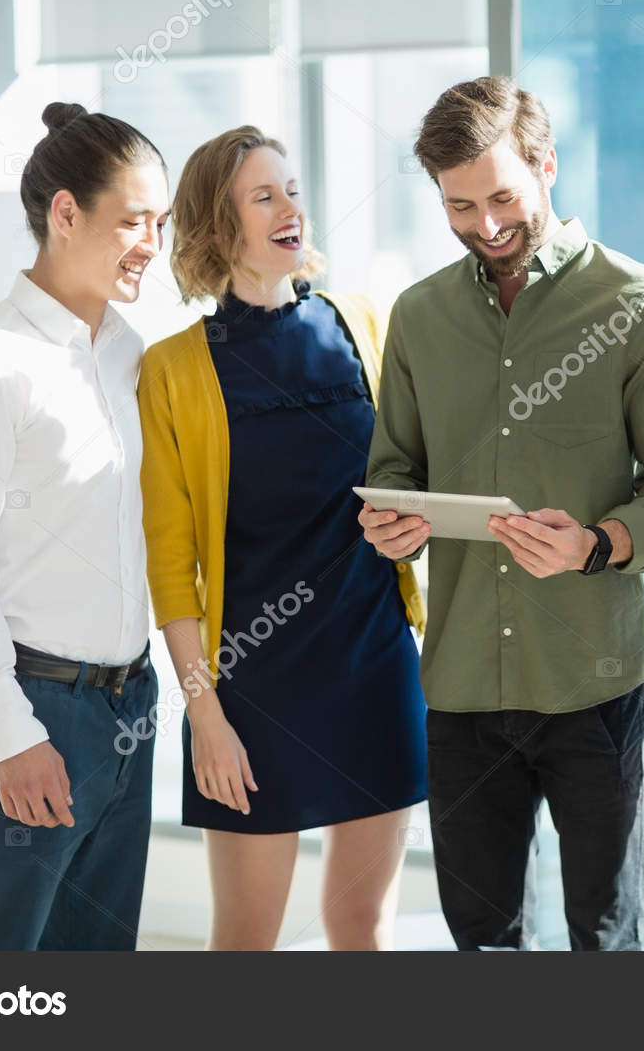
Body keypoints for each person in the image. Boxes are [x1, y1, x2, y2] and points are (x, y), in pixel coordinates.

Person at [360, 76, 644, 950]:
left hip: (594, 685)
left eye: (504, 196)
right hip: (463, 686)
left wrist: (597, 544)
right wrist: (392, 528)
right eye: (459, 204)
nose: (484, 224)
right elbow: (393, 468)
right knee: (479, 937)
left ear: (547, 165)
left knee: (606, 932)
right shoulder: (419, 316)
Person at [139, 126, 427, 950]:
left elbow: (409, 485)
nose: (291, 208)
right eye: (264, 196)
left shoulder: (363, 323)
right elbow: (170, 563)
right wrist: (206, 713)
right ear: (218, 227)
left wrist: (409, 529)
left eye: (293, 189)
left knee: (360, 924)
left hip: (375, 666)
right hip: (252, 689)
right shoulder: (173, 368)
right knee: (247, 938)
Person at [0, 101, 169, 950]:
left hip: (130, 706)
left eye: (161, 223)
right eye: (133, 220)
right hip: (29, 711)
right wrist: (14, 734)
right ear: (66, 213)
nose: (152, 244)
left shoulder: (133, 354)